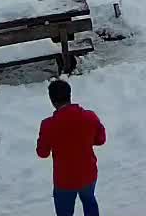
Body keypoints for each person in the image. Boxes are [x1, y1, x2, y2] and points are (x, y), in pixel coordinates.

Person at [36, 78, 105, 216]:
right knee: (89, 201)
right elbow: (101, 140)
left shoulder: (48, 125)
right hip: (88, 174)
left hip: (64, 180)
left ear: (52, 100)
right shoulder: (90, 117)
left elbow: (42, 153)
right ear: (70, 95)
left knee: (64, 212)